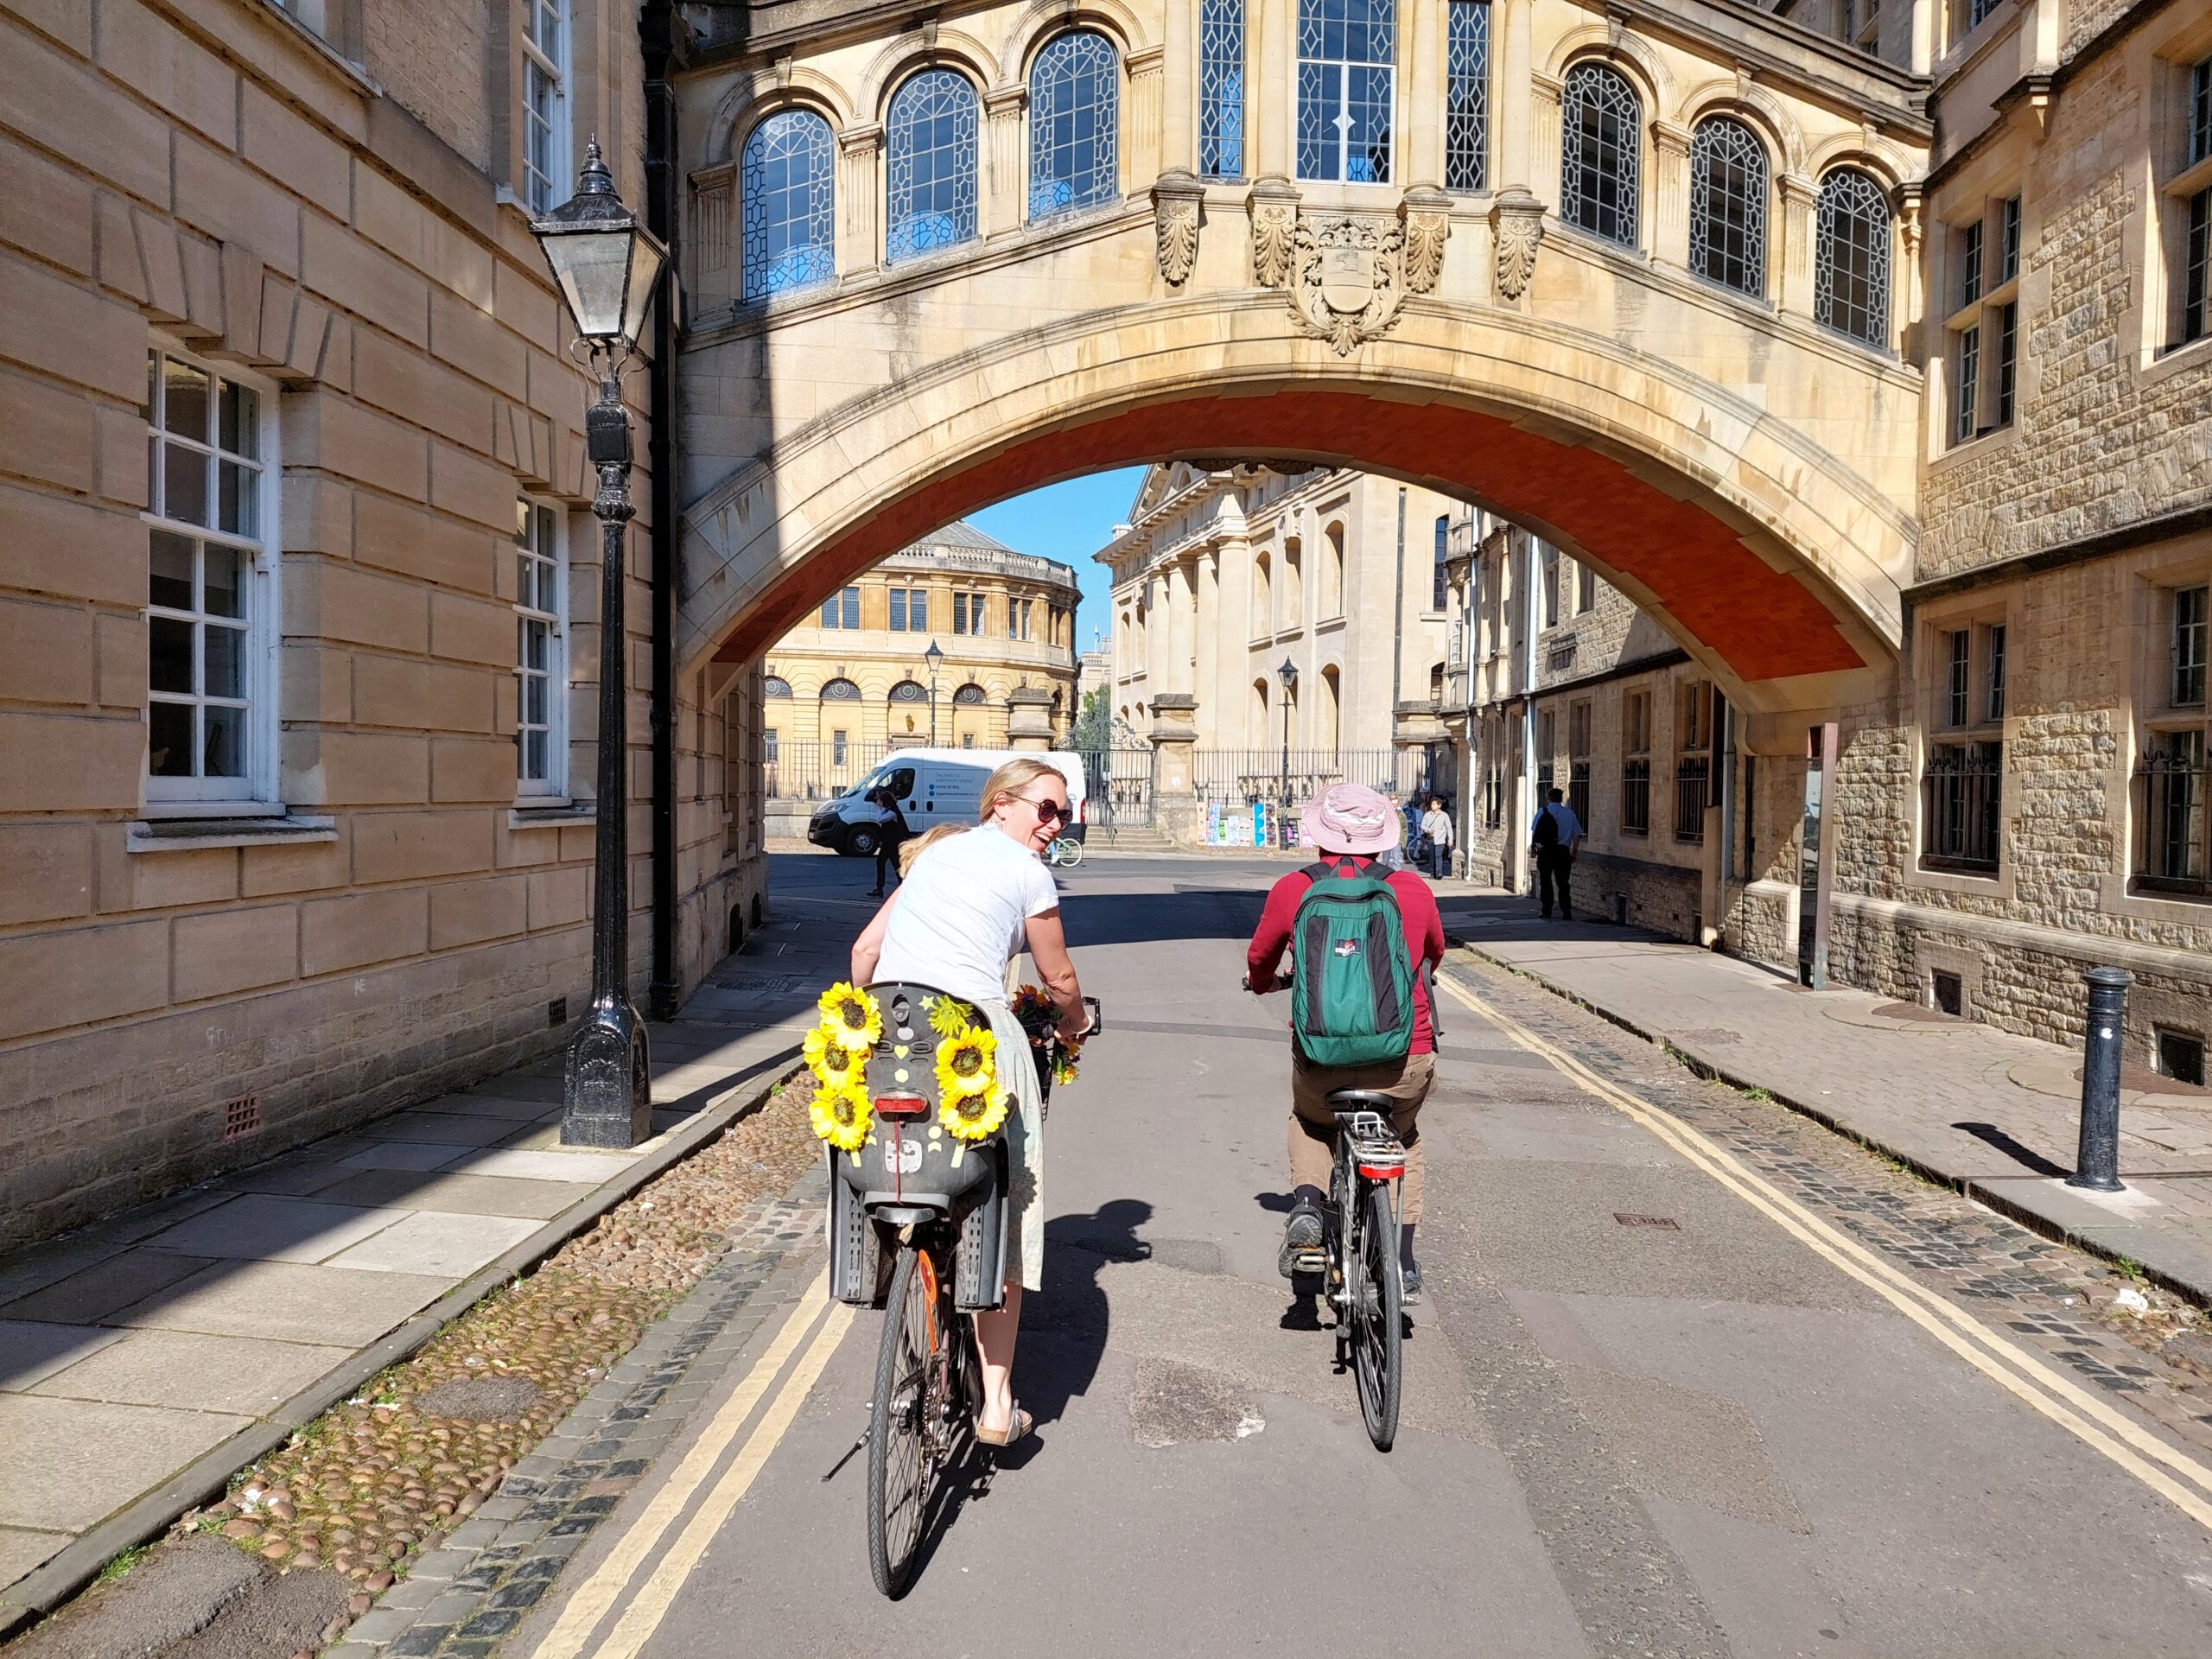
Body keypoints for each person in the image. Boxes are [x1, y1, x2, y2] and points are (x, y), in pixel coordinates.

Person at [849, 757, 1089, 1448]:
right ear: (1001, 805)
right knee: (1005, 1210)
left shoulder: (936, 856)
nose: (1055, 824)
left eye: (1064, 813)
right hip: (976, 1035)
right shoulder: (1026, 872)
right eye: (1046, 808)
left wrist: (875, 1027)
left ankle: (903, 1270)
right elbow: (1059, 975)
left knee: (904, 1162)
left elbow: (866, 952)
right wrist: (1074, 1026)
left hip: (893, 1038)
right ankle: (996, 1404)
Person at [1244, 782, 1446, 1301]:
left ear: (1319, 836)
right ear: (1380, 839)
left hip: (1322, 1057)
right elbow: (1432, 954)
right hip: (1405, 1056)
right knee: (1405, 1138)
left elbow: (1260, 960)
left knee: (1310, 1122)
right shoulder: (1415, 890)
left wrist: (1265, 983)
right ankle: (1401, 1261)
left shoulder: (1294, 889)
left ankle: (1309, 1208)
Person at [1530, 786, 1585, 920]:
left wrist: (1533, 848)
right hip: (1562, 851)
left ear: (1549, 798)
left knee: (1546, 881)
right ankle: (1566, 910)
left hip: (1546, 852)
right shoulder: (1570, 813)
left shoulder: (1542, 812)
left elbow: (1535, 831)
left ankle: (1546, 910)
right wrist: (1574, 853)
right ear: (1561, 799)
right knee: (1563, 883)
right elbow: (1577, 835)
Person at [863, 781, 906, 899]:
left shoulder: (893, 812)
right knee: (882, 862)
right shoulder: (889, 810)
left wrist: (878, 808)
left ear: (885, 802)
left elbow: (880, 820)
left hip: (893, 843)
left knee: (896, 865)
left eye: (880, 801)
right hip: (888, 843)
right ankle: (880, 888)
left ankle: (903, 887)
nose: (879, 802)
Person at [1420, 795, 1455, 881]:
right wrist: (1428, 830)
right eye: (1432, 804)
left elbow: (1449, 828)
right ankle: (1432, 873)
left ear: (1439, 805)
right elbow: (1422, 826)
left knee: (1438, 855)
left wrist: (1450, 840)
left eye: (1434, 804)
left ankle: (1439, 873)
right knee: (1432, 856)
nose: (1432, 806)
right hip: (1430, 839)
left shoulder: (1444, 816)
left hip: (1440, 839)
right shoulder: (1427, 815)